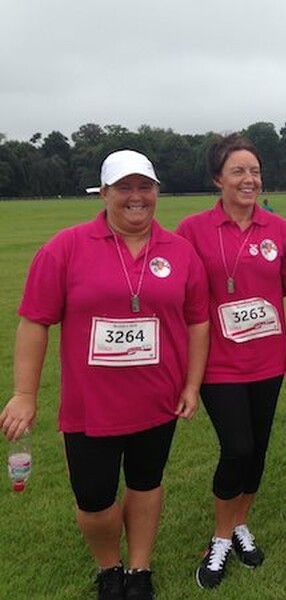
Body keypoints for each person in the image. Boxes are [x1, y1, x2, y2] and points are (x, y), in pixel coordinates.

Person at [0, 150, 210, 600]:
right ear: (105, 193)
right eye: (124, 188)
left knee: (145, 484)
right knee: (95, 501)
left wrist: (192, 384)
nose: (136, 197)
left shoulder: (180, 251)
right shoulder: (66, 247)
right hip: (90, 406)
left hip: (158, 400)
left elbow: (197, 321)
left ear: (157, 192)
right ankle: (107, 565)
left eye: (145, 187)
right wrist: (24, 393)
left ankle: (138, 569)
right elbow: (34, 321)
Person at [175, 135, 286, 589]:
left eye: (254, 171)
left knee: (258, 451)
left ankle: (241, 522)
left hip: (268, 360)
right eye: (238, 172)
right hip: (217, 363)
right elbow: (179, 295)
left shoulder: (279, 230)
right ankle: (221, 538)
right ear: (217, 179)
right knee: (238, 448)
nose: (249, 180)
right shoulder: (192, 230)